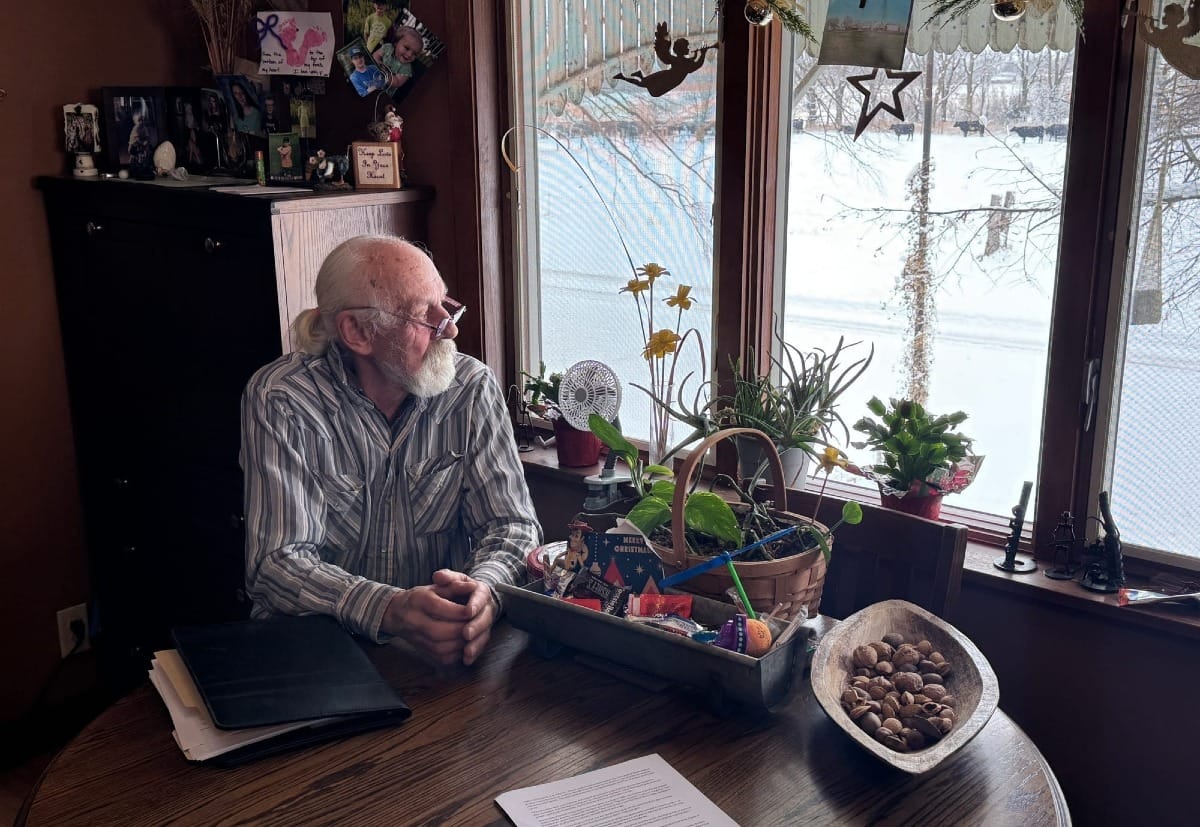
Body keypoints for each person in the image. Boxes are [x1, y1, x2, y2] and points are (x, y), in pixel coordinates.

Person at [240, 236, 541, 666]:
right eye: (424, 314)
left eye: (445, 304)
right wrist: (389, 609)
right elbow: (276, 564)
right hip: (314, 655)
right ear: (358, 332)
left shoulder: (470, 389)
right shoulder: (283, 398)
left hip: (440, 657)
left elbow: (512, 526)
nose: (450, 327)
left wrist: (483, 594)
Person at [374, 25, 423, 90]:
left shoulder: (406, 68)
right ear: (396, 42)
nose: (409, 55)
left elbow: (398, 82)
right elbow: (375, 55)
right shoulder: (388, 48)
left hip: (382, 90)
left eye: (415, 54)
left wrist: (385, 74)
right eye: (407, 48)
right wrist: (377, 63)